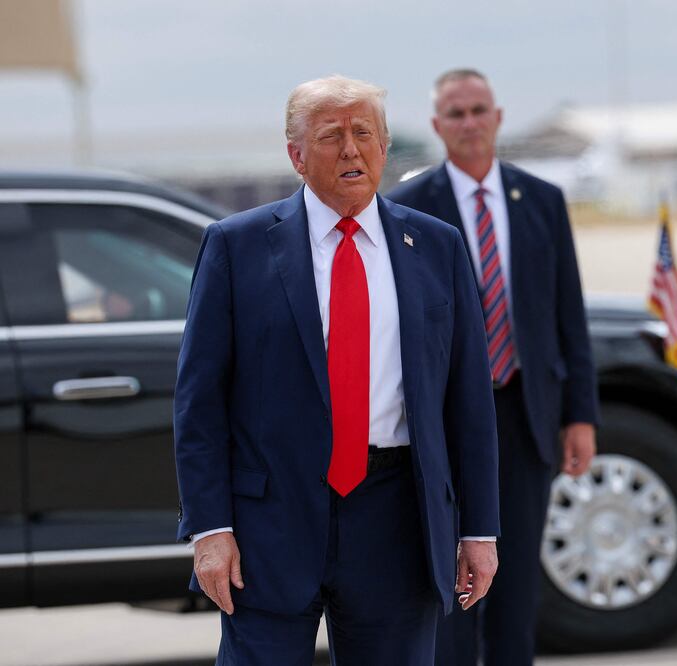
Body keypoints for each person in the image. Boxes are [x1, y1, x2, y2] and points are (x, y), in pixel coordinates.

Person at [174, 74, 500, 666]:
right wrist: (209, 530)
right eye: (331, 136)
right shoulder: (236, 247)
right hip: (268, 525)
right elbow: (200, 402)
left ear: (384, 147)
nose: (351, 149)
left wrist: (479, 530)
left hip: (396, 516)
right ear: (296, 155)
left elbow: (468, 401)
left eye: (364, 133)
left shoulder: (435, 246)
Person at [388, 69, 599, 666]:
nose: (470, 123)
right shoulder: (407, 208)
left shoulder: (541, 200)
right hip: (447, 422)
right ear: (437, 126)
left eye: (479, 110)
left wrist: (579, 414)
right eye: (456, 114)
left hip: (525, 413)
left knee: (517, 588)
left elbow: (567, 315)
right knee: (451, 582)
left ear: (498, 117)